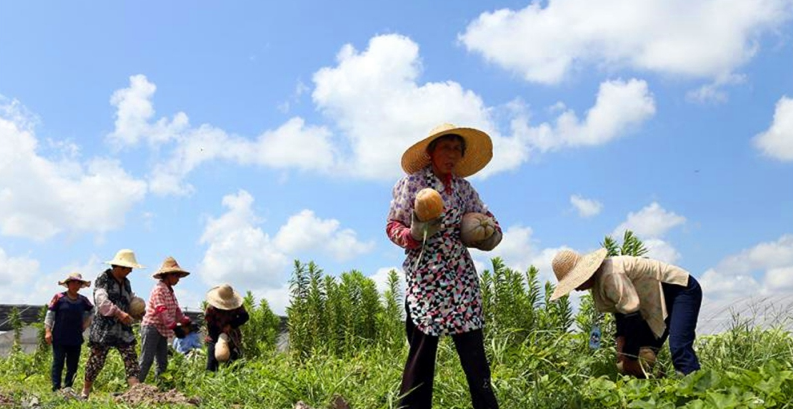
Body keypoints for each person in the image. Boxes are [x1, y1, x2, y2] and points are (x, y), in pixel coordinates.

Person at [386, 123, 502, 409]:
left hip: (460, 276)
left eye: (456, 149)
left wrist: (490, 232)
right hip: (426, 276)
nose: (451, 154)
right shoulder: (412, 184)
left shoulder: (464, 189)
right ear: (431, 152)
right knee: (422, 352)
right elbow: (392, 225)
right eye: (445, 147)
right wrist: (412, 235)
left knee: (473, 352)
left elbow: (487, 217)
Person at [549, 248, 703, 377]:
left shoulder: (610, 274)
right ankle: (653, 393)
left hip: (681, 289)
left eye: (576, 282)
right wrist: (622, 348)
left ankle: (695, 393)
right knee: (644, 354)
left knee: (679, 347)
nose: (576, 288)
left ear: (585, 273)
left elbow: (632, 316)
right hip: (655, 300)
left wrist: (629, 354)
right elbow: (622, 314)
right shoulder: (599, 283)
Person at [81, 249, 144, 399]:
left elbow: (129, 300)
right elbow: (102, 302)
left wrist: (138, 312)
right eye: (129, 268)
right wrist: (119, 313)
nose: (130, 271)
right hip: (104, 327)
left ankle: (136, 392)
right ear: (119, 267)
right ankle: (85, 391)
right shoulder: (103, 279)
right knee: (96, 360)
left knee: (131, 358)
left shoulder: (127, 283)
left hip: (123, 329)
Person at [138, 257, 191, 382]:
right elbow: (161, 311)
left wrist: (185, 321)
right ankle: (135, 387)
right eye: (176, 275)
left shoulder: (170, 291)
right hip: (152, 327)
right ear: (168, 275)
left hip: (162, 329)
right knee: (147, 359)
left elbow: (176, 310)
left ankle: (160, 387)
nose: (178, 279)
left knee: (162, 361)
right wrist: (175, 327)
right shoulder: (159, 289)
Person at [44, 272, 94, 393]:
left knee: (73, 365)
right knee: (58, 362)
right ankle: (56, 388)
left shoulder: (83, 300)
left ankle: (68, 387)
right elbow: (50, 314)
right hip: (59, 337)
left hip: (75, 337)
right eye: (73, 282)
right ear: (68, 284)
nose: (75, 285)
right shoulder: (59, 298)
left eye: (78, 283)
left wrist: (86, 323)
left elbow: (93, 311)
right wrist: (48, 331)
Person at [204, 284, 249, 371]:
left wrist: (231, 325)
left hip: (232, 335)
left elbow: (245, 317)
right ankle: (210, 379)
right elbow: (210, 324)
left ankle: (233, 380)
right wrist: (220, 337)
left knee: (234, 362)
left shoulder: (236, 305)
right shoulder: (211, 308)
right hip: (214, 334)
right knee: (212, 361)